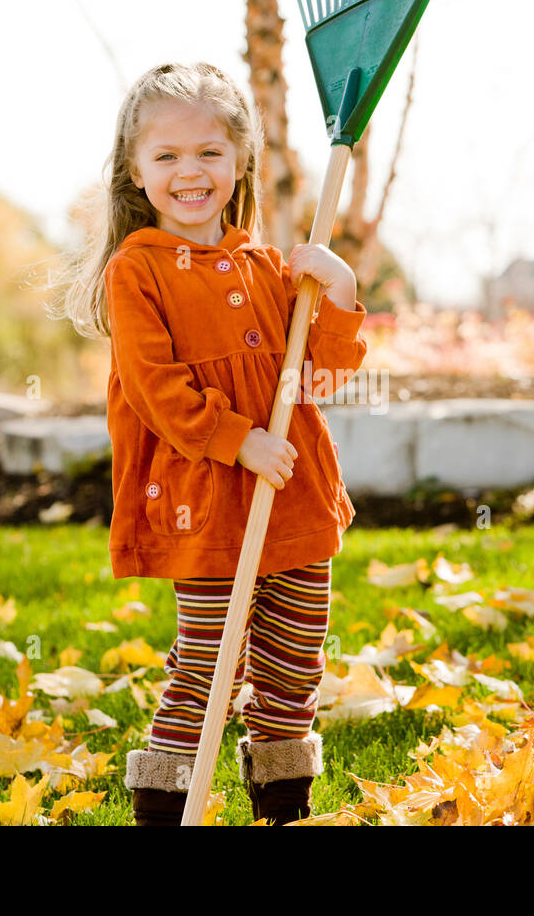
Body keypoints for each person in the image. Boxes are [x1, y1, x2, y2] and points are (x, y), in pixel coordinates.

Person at [52, 61, 367, 825]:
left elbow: (317, 378)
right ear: (134, 170)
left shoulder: (270, 268)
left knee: (294, 664)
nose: (189, 172)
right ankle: (165, 808)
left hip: (292, 500)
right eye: (166, 157)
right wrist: (238, 440)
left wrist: (343, 295)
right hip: (207, 504)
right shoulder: (137, 273)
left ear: (239, 162)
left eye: (209, 153)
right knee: (209, 665)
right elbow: (157, 393)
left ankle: (282, 805)